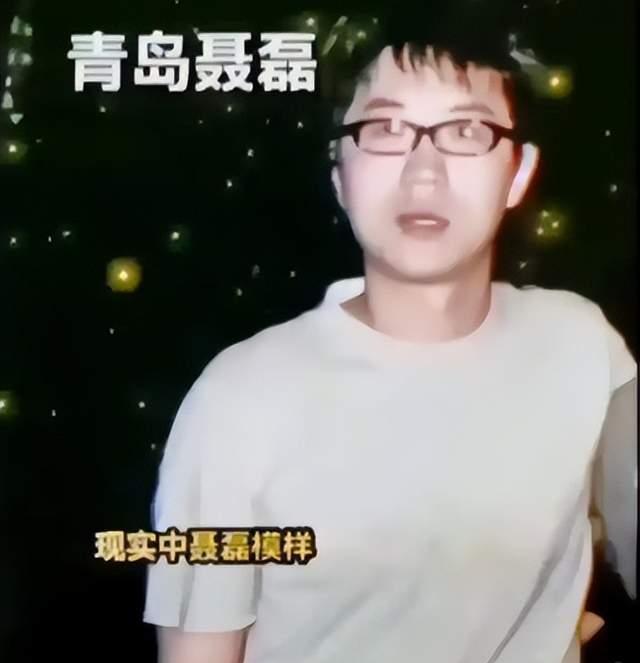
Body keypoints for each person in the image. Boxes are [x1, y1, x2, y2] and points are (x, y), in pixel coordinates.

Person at [142, 10, 637, 663]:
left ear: (518, 172)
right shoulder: (236, 400)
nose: (423, 173)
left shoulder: (582, 346)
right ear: (340, 177)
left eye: (465, 130)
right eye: (385, 129)